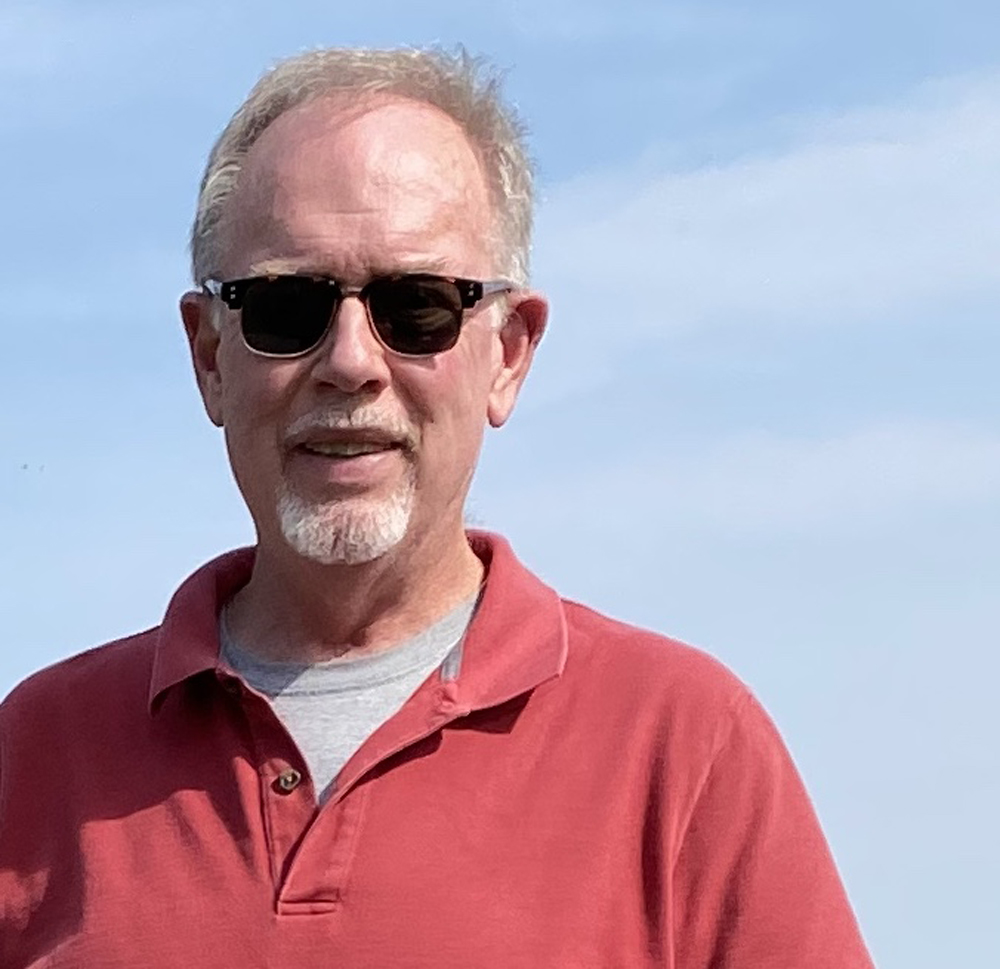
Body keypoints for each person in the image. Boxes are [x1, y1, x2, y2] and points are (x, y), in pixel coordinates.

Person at [0, 47, 874, 967]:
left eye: (416, 307)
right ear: (212, 356)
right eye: (286, 307)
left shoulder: (685, 747)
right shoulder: (35, 757)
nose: (350, 360)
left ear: (509, 353)